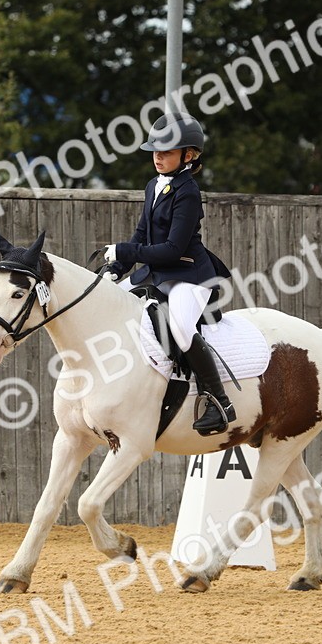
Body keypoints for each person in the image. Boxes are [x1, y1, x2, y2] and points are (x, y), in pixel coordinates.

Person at [103, 112, 236, 435]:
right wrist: (115, 269)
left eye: (167, 152)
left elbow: (173, 249)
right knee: (110, 305)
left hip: (188, 275)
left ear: (188, 156)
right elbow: (141, 235)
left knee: (180, 326)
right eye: (155, 151)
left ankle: (219, 403)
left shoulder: (187, 192)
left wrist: (125, 251)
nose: (158, 157)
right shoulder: (154, 185)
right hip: (155, 271)